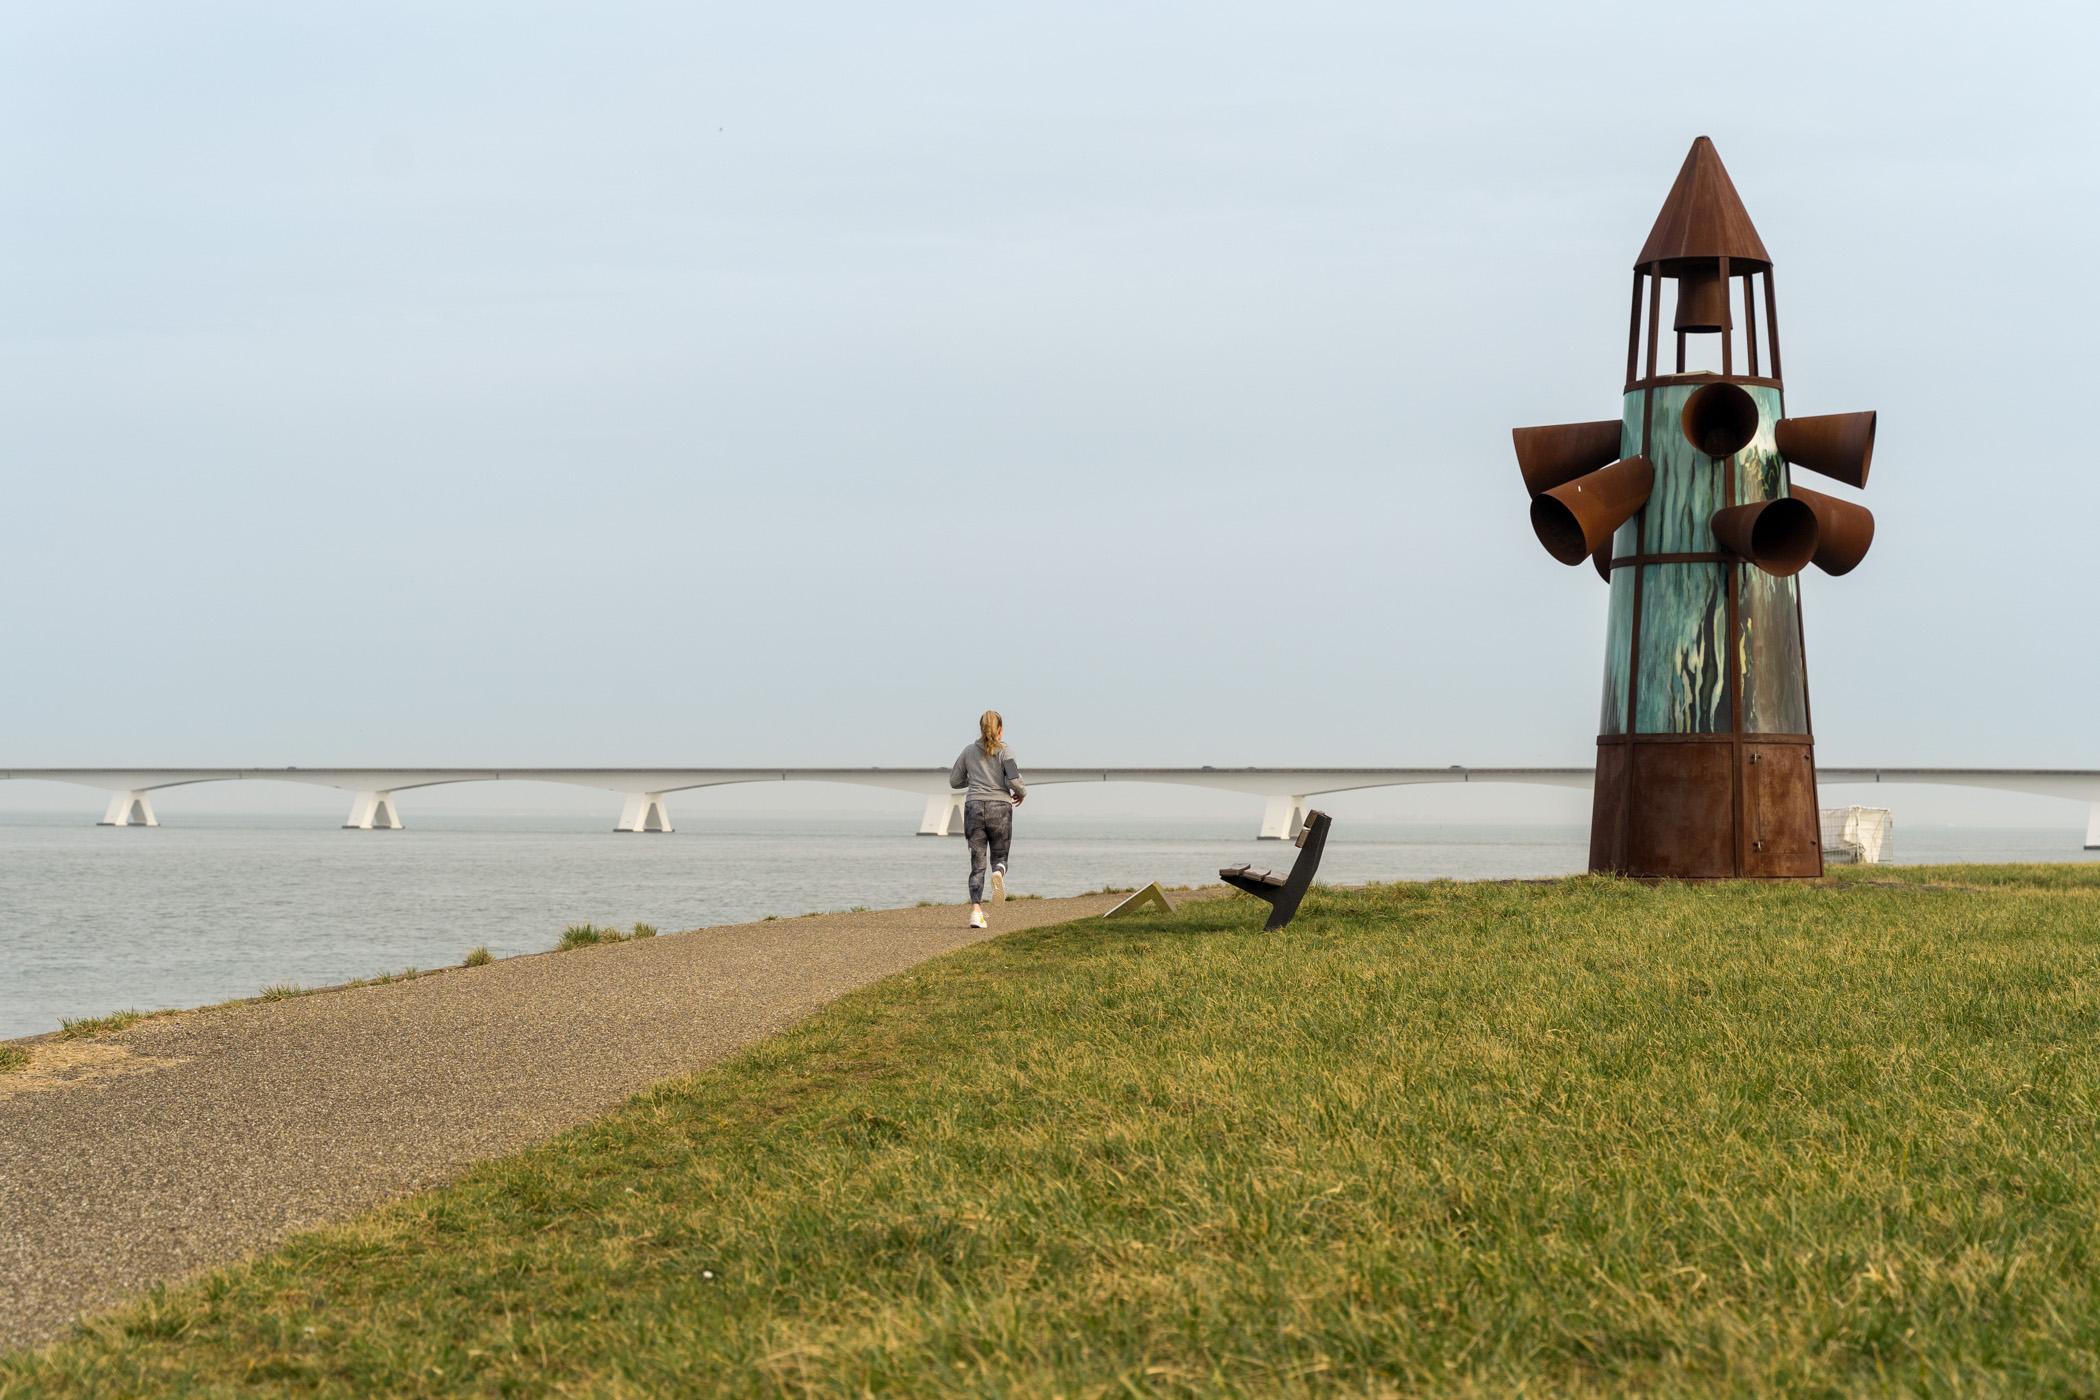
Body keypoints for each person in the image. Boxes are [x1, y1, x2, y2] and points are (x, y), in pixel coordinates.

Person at [949, 710, 1026, 929]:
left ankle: (976, 911)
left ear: (981, 729)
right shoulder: (1006, 752)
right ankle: (998, 872)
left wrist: (974, 781)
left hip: (973, 807)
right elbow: (1014, 780)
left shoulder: (968, 752)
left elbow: (955, 781)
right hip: (999, 807)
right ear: (1000, 730)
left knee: (977, 862)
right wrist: (1021, 793)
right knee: (999, 856)